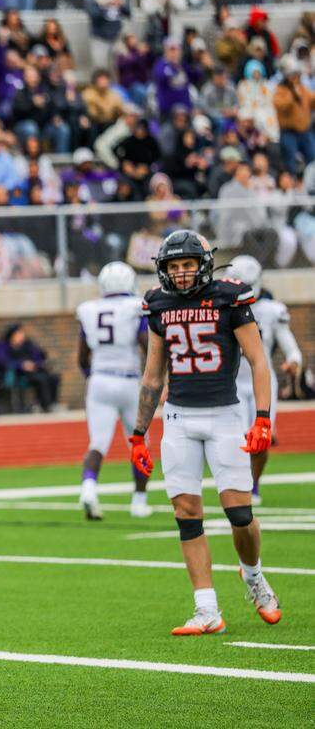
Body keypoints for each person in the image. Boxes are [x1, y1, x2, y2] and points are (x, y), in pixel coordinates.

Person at [131, 230, 280, 635]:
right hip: (178, 418)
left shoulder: (230, 296)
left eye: (187, 265)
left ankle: (252, 576)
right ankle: (206, 609)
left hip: (225, 416)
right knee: (187, 514)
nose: (180, 274)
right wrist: (138, 433)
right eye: (173, 266)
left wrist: (262, 417)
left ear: (204, 265)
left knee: (239, 512)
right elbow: (152, 373)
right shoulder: (158, 304)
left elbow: (258, 360)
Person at [75, 264, 151, 521]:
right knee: (139, 442)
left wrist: (93, 376)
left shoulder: (89, 309)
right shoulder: (135, 307)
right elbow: (146, 345)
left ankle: (88, 488)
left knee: (98, 443)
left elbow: (82, 357)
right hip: (128, 380)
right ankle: (139, 501)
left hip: (99, 380)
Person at [227, 256, 303, 506]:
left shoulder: (271, 311)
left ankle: (254, 484)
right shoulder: (221, 308)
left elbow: (290, 346)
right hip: (234, 383)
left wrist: (293, 361)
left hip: (262, 380)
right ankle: (239, 486)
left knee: (261, 439)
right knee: (236, 439)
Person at [0, 323, 60, 411]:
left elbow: (39, 357)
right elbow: (2, 361)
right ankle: (46, 405)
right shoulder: (3, 346)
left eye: (22, 333)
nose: (21, 336)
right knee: (40, 379)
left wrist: (34, 364)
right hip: (18, 374)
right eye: (19, 334)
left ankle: (53, 403)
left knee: (53, 378)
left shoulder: (28, 345)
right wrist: (21, 365)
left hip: (34, 370)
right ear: (12, 335)